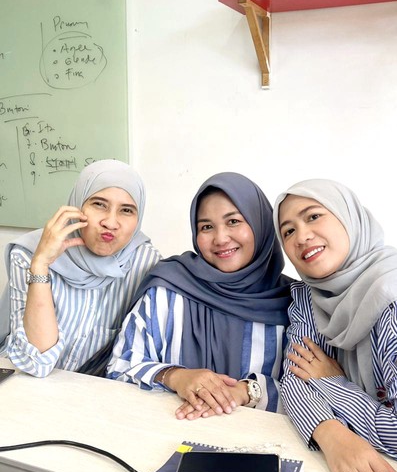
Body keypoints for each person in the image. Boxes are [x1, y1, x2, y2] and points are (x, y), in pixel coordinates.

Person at [273, 179, 397, 472]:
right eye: (288, 231)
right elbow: (295, 380)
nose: (302, 236)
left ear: (349, 217)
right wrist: (331, 435)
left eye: (313, 216)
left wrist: (332, 383)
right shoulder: (310, 298)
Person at [107, 171, 292, 418]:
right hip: (167, 431)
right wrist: (175, 376)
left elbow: (314, 392)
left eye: (233, 221)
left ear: (260, 223)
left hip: (263, 440)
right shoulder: (169, 288)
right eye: (206, 227)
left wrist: (248, 391)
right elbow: (119, 366)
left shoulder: (294, 303)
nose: (221, 238)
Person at [0, 159, 161, 377]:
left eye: (126, 210)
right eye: (99, 204)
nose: (110, 222)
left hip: (88, 390)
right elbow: (36, 363)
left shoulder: (146, 264)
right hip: (22, 379)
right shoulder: (30, 254)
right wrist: (41, 265)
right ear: (77, 205)